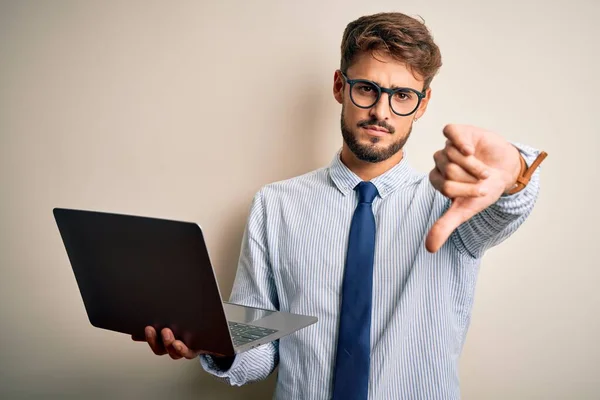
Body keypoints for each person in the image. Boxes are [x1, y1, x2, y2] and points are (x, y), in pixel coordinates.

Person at [137, 11, 547, 400]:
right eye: (367, 88)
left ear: (422, 104)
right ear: (339, 86)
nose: (380, 111)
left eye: (402, 95)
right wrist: (212, 344)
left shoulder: (453, 204)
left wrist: (515, 169)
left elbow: (508, 206)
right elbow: (259, 349)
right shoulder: (275, 205)